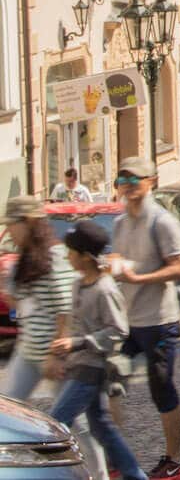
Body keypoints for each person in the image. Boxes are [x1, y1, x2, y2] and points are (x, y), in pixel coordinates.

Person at [0, 197, 107, 479]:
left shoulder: (55, 256)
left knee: (74, 423)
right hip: (28, 349)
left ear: (29, 223)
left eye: (13, 225)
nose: (10, 231)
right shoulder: (24, 258)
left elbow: (64, 309)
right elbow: (18, 302)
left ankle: (98, 474)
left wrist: (55, 353)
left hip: (54, 352)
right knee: (9, 410)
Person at [109, 157, 180, 480]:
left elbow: (179, 267)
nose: (127, 187)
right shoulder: (119, 224)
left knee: (162, 390)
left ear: (151, 181)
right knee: (111, 384)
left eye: (134, 180)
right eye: (122, 180)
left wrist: (138, 278)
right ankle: (117, 459)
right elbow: (121, 262)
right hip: (126, 321)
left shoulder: (162, 222)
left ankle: (175, 460)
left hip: (159, 319)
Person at [50, 221, 145, 480]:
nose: (67, 257)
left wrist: (78, 343)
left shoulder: (105, 289)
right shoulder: (78, 285)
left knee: (55, 425)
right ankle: (136, 476)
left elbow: (119, 330)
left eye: (71, 252)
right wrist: (64, 352)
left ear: (85, 257)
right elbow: (76, 324)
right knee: (102, 428)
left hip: (93, 369)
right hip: (78, 364)